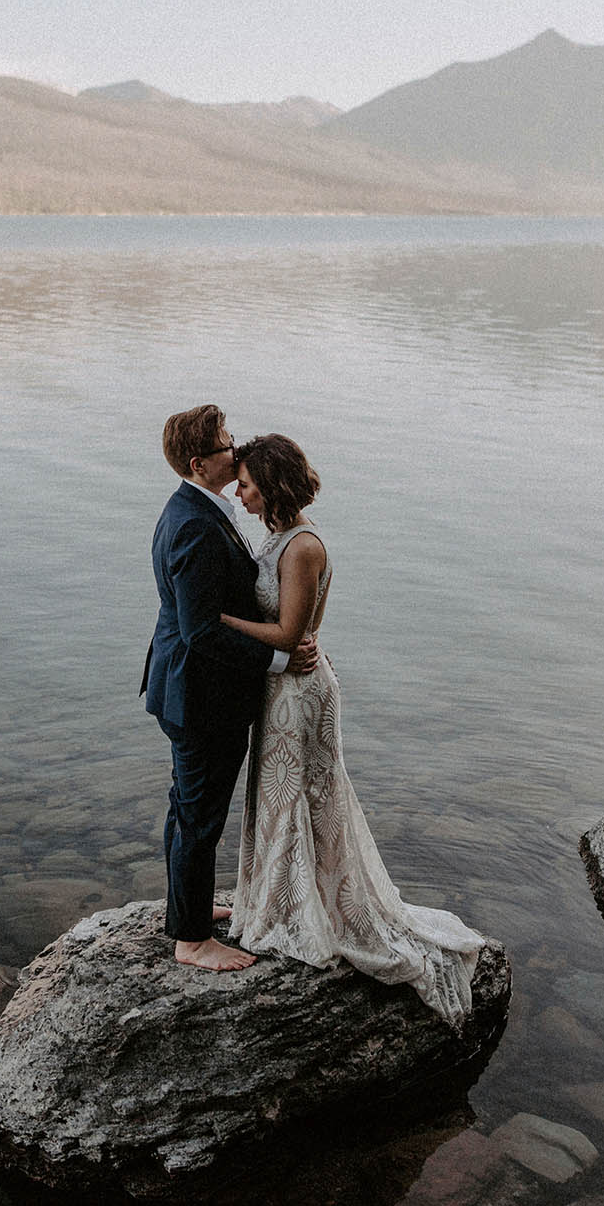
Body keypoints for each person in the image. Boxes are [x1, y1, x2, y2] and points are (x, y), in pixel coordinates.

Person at [220, 434, 484, 1025]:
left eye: (246, 482)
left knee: (305, 797)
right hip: (283, 686)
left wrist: (222, 621)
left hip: (300, 691)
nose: (238, 491)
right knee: (278, 794)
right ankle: (278, 895)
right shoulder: (278, 538)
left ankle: (312, 908)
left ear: (271, 482)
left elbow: (291, 635)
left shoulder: (304, 546)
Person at [144, 406, 317, 972]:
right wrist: (278, 659)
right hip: (201, 697)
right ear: (201, 462)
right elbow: (200, 630)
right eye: (226, 445)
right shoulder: (195, 522)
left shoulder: (193, 509)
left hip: (184, 690)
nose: (235, 451)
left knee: (185, 808)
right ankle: (191, 941)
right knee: (198, 815)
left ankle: (186, 910)